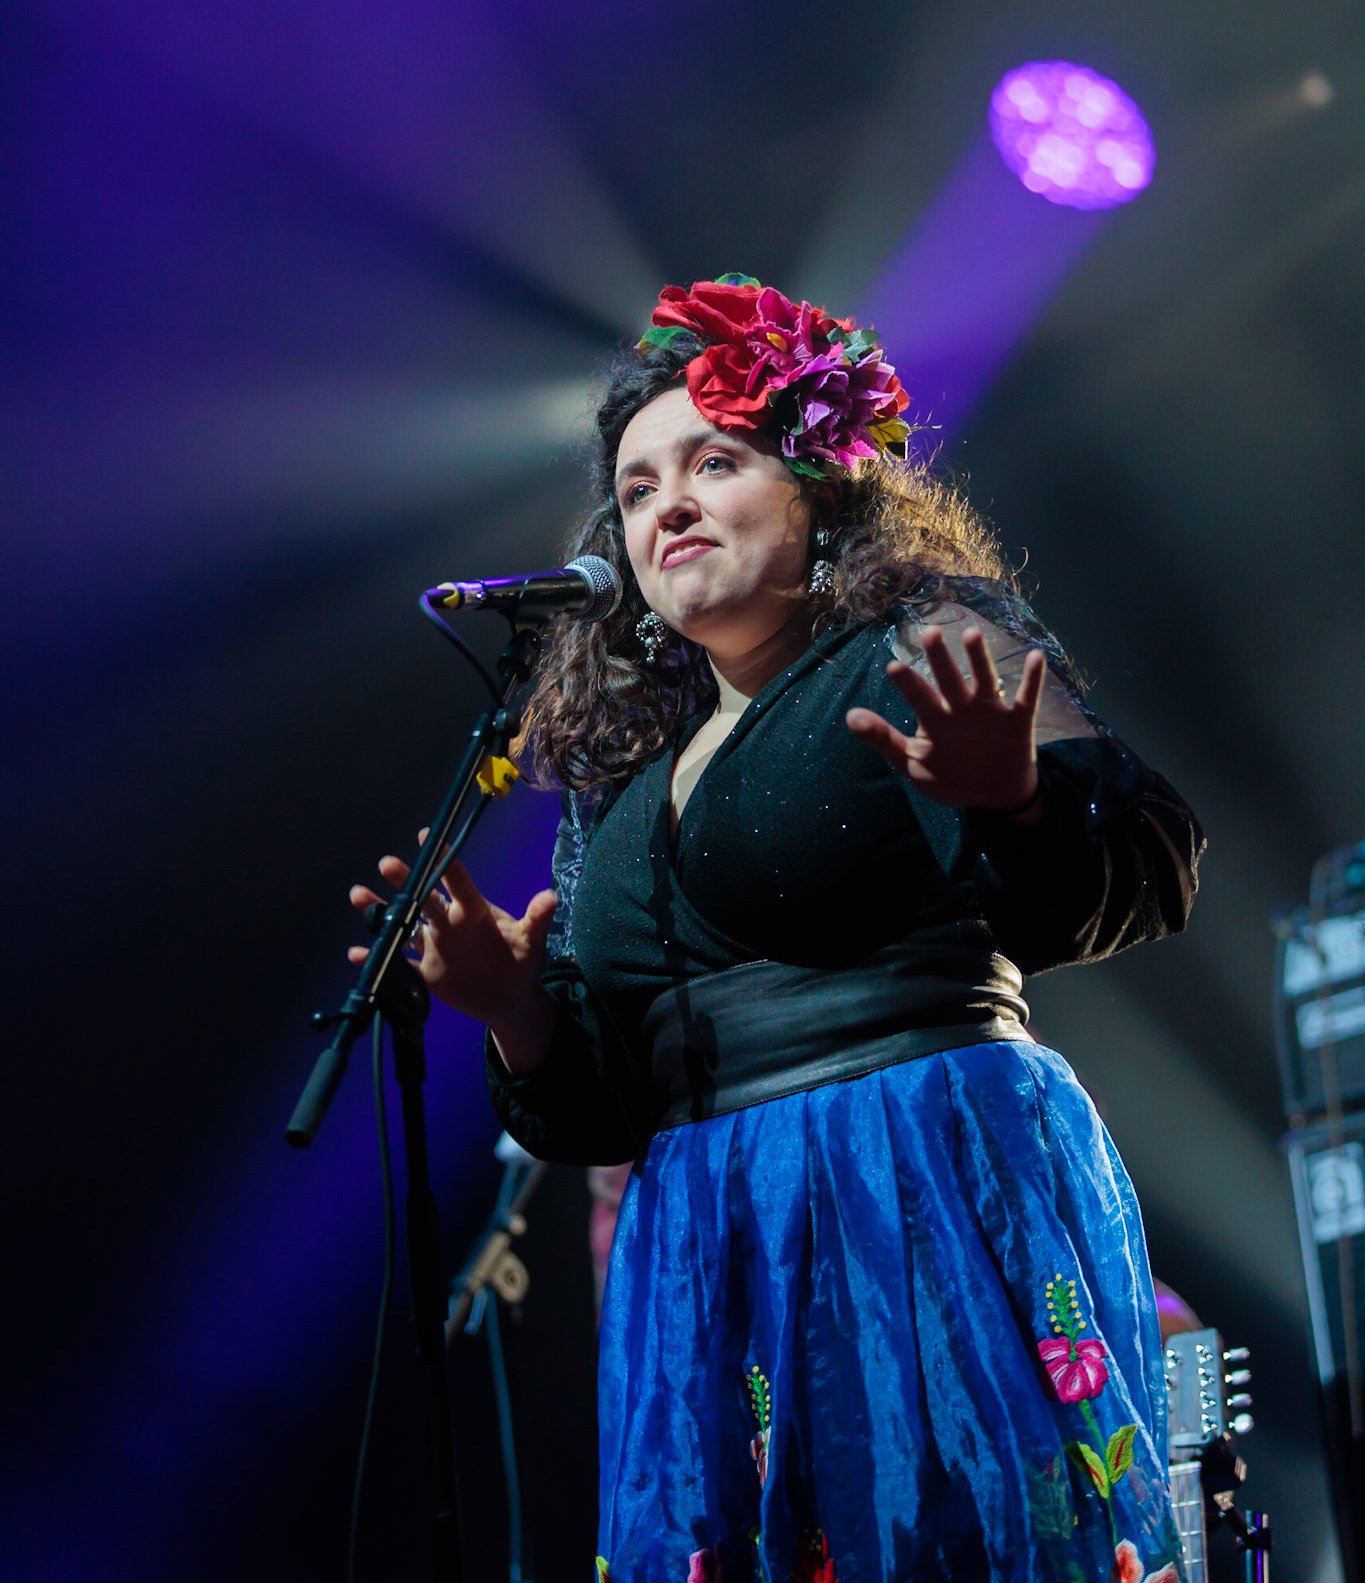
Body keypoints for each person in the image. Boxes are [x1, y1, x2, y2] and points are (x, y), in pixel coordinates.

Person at [350, 274, 1204, 1583]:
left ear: (821, 493)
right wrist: (515, 1012)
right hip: (707, 1232)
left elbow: (1143, 874)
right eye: (636, 489)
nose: (667, 503)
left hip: (911, 1171)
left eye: (715, 460)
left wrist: (1016, 798)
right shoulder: (622, 790)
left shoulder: (917, 646)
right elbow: (603, 1104)